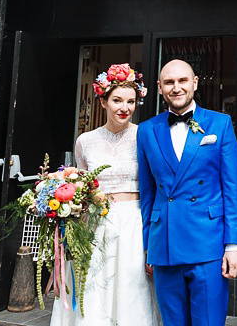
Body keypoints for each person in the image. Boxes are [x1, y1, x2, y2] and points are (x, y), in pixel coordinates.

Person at [50, 63, 160, 326]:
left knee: (132, 289)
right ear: (103, 101)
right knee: (94, 287)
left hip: (134, 222)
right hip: (95, 224)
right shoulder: (85, 140)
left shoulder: (145, 136)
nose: (125, 107)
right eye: (117, 100)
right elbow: (82, 185)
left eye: (131, 101)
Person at [137, 59, 237, 326]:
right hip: (165, 245)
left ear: (195, 83)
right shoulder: (147, 130)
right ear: (160, 88)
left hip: (207, 244)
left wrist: (234, 246)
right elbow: (147, 193)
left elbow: (233, 189)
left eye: (183, 81)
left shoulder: (220, 124)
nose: (177, 88)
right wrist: (147, 245)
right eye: (170, 82)